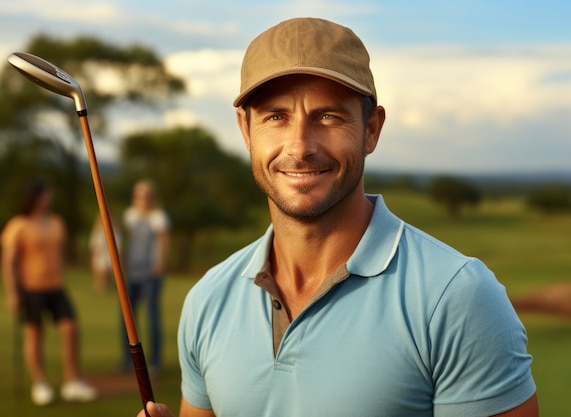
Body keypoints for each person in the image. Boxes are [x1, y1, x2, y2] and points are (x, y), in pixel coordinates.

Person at [138, 17, 539, 417]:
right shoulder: (208, 298)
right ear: (246, 130)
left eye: (328, 116)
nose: (300, 147)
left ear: (371, 129)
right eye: (276, 116)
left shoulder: (457, 298)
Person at [1, 181, 97, 406]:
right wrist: (12, 292)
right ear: (35, 198)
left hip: (56, 286)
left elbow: (60, 253)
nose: (50, 198)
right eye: (47, 195)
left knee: (71, 328)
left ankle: (72, 381)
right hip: (31, 288)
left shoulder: (56, 222)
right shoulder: (18, 225)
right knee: (35, 333)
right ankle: (40, 383)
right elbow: (9, 261)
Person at [120, 179, 170, 375]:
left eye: (145, 194)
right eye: (138, 194)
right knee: (126, 318)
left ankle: (155, 362)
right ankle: (127, 360)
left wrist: (159, 265)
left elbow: (164, 242)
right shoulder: (129, 216)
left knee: (152, 316)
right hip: (131, 272)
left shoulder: (158, 217)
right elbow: (125, 241)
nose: (141, 198)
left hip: (151, 273)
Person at [89, 214, 121, 292]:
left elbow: (118, 245)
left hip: (109, 255)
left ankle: (108, 286)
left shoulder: (115, 231)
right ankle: (100, 286)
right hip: (99, 254)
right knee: (100, 270)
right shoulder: (97, 231)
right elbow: (94, 244)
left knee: (107, 270)